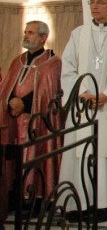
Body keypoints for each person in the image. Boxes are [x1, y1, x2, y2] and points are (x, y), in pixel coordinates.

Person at [60, 0, 107, 220]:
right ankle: (78, 203)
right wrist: (84, 94)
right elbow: (68, 67)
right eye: (92, 2)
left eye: (101, 3)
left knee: (104, 152)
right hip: (82, 106)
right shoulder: (78, 34)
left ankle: (102, 203)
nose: (95, 6)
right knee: (80, 152)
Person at [0, 21, 61, 221]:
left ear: (43, 37)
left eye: (31, 33)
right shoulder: (17, 61)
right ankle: (11, 197)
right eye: (25, 32)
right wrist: (10, 102)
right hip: (13, 120)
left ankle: (34, 199)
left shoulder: (52, 63)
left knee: (34, 157)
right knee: (13, 159)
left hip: (37, 122)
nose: (26, 36)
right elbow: (6, 85)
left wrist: (24, 104)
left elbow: (48, 92)